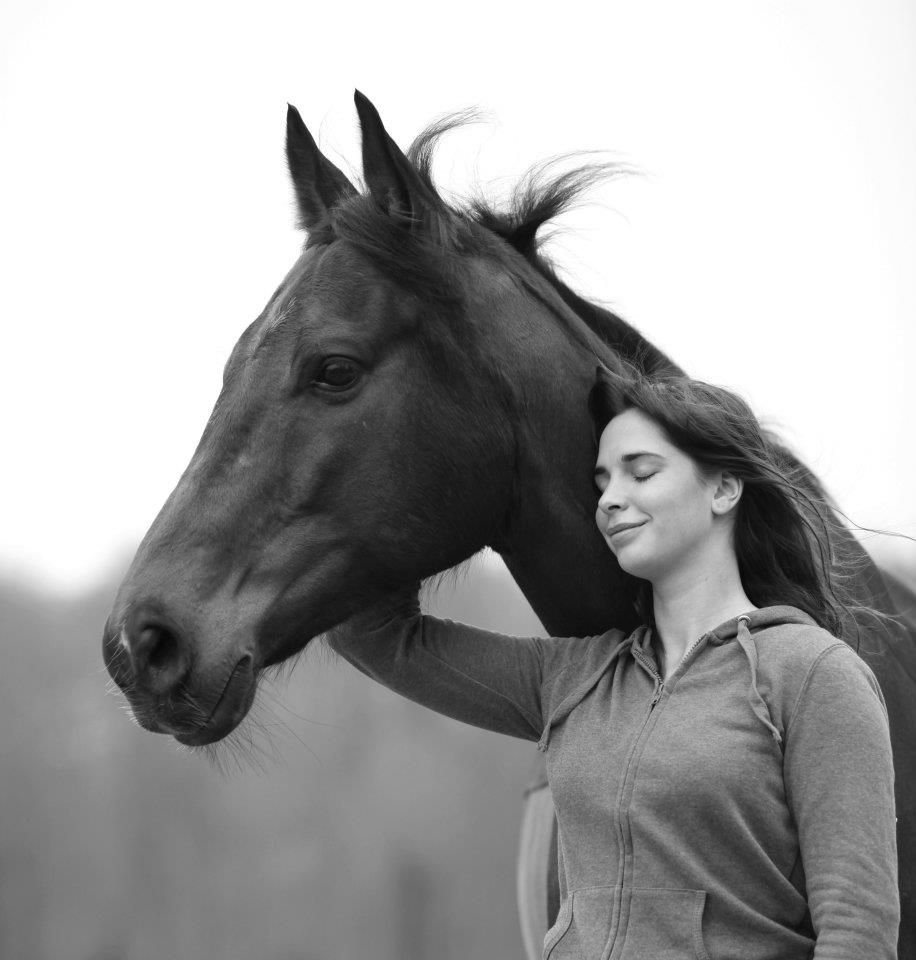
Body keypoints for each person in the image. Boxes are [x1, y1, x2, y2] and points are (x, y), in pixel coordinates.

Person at [327, 361, 899, 960]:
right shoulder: (572, 679)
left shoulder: (812, 673)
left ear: (724, 489)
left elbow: (857, 930)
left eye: (641, 473)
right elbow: (370, 633)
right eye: (601, 484)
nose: (609, 501)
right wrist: (415, 475)